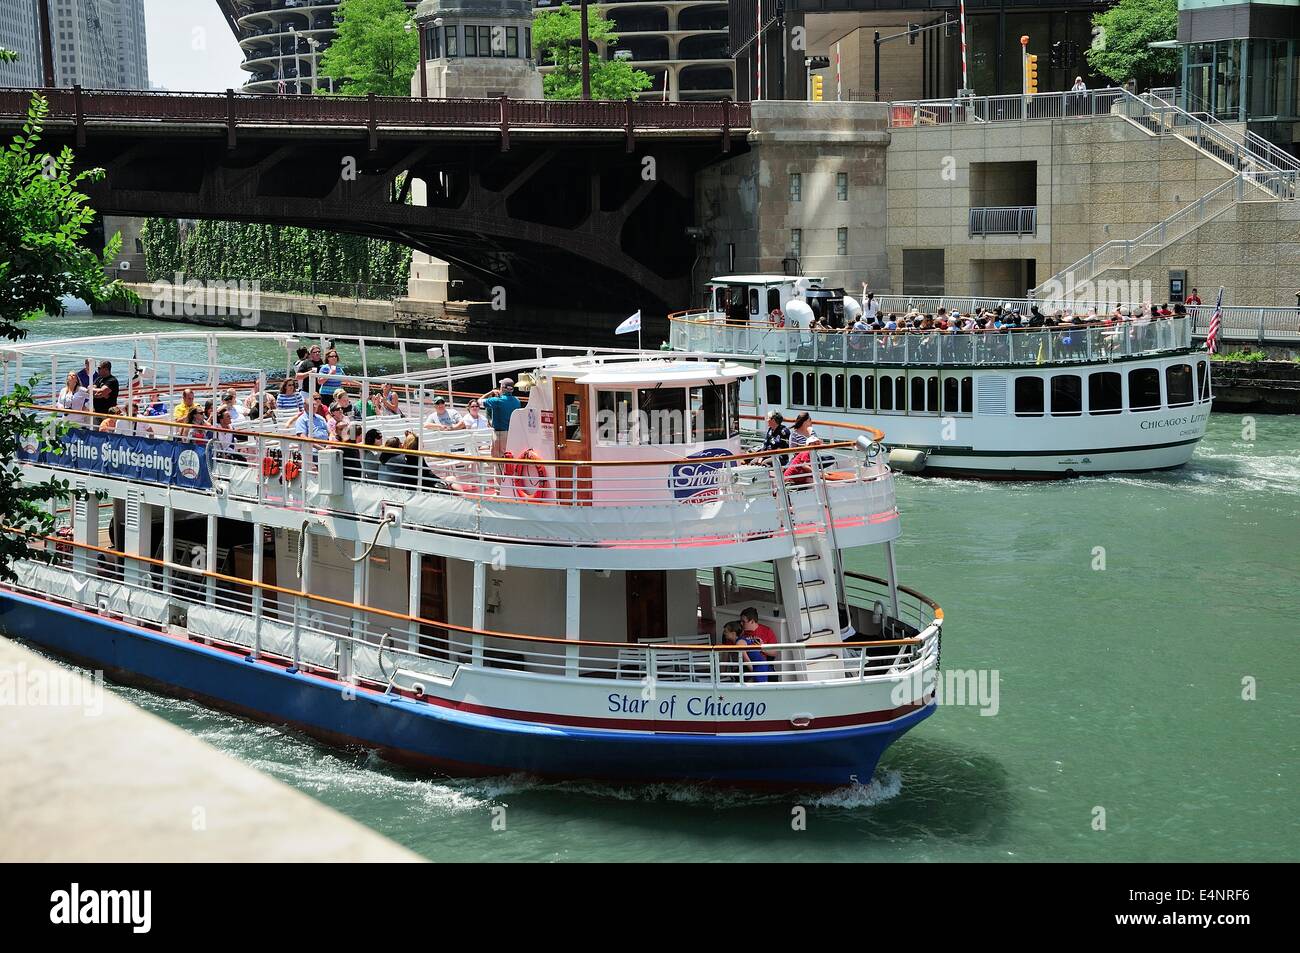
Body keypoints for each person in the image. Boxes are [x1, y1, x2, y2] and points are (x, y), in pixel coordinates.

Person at [481, 378, 521, 457]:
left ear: (502, 388)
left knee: (499, 458)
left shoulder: (497, 401)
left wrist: (491, 392)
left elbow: (479, 401)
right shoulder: (517, 401)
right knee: (509, 456)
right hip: (512, 434)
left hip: (500, 434)